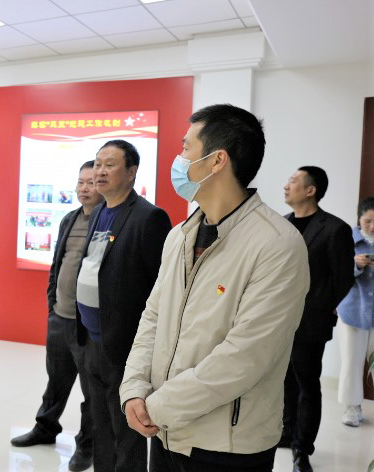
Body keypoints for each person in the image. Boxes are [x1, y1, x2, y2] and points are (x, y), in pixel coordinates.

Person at [120, 104, 310, 472]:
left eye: (186, 147)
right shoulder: (179, 236)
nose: (179, 159)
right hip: (165, 433)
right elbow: (153, 317)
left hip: (227, 444)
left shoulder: (277, 244)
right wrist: (134, 389)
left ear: (217, 160)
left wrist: (157, 407)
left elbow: (246, 356)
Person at [75, 140, 171, 471]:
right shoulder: (99, 210)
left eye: (110, 164)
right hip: (92, 339)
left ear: (131, 172)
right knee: (100, 424)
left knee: (125, 430)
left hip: (124, 343)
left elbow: (161, 288)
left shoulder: (149, 217)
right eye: (97, 163)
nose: (100, 171)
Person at [11, 160, 103, 472]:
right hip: (60, 316)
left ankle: (87, 445)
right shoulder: (69, 218)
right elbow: (58, 263)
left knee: (91, 390)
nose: (84, 188)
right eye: (80, 182)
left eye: (91, 182)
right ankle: (45, 428)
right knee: (56, 381)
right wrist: (52, 302)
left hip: (88, 325)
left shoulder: (108, 221)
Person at [281, 166, 354, 471]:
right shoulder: (283, 224)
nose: (286, 185)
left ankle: (302, 448)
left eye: (293, 181)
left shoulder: (335, 229)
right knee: (284, 381)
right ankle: (286, 433)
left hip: (310, 321)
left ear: (310, 190)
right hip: (278, 321)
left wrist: (319, 307)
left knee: (307, 384)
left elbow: (343, 279)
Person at [336, 197, 374, 427]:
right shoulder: (346, 239)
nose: (372, 226)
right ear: (359, 219)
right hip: (352, 311)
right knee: (352, 362)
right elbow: (337, 273)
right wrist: (356, 265)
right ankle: (352, 408)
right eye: (368, 221)